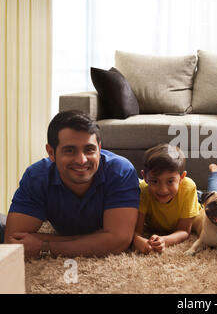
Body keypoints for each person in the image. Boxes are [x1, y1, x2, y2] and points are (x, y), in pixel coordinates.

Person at [4, 110, 140, 258]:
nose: (81, 160)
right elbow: (14, 242)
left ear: (99, 149)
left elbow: (119, 241)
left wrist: (45, 244)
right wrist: (102, 238)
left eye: (89, 150)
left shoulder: (121, 171)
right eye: (69, 150)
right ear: (51, 153)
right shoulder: (37, 177)